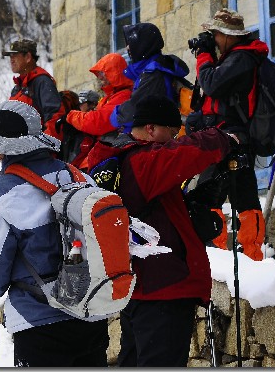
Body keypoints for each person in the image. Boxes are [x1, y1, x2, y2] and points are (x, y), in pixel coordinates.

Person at [86, 95, 235, 367]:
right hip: (162, 289)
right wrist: (224, 139)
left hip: (138, 286)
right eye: (172, 132)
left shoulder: (116, 160)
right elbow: (187, 152)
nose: (174, 139)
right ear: (151, 129)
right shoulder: (142, 162)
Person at [0, 100, 110, 367]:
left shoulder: (4, 192)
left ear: (1, 149)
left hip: (37, 322)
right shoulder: (79, 178)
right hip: (91, 314)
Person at [187, 8, 268, 261]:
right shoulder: (232, 59)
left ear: (228, 35)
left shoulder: (241, 60)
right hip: (225, 137)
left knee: (215, 196)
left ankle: (231, 253)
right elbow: (216, 97)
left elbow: (211, 83)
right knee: (233, 195)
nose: (212, 39)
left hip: (233, 140)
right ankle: (221, 250)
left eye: (215, 34)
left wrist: (203, 56)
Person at [111, 23, 190, 134]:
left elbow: (134, 112)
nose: (127, 48)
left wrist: (115, 115)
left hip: (158, 136)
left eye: (131, 43)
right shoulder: (156, 68)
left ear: (143, 45)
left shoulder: (153, 73)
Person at [61, 52, 133, 169]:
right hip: (104, 151)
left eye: (104, 72)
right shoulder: (109, 97)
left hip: (112, 152)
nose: (100, 77)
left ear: (114, 73)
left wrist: (70, 116)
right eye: (100, 73)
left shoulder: (123, 96)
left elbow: (97, 122)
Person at [2, 39, 65, 141]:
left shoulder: (42, 82)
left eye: (15, 56)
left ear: (28, 57)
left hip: (36, 152)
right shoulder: (17, 88)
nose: (11, 59)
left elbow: (54, 117)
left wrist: (45, 146)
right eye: (10, 56)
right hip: (19, 151)